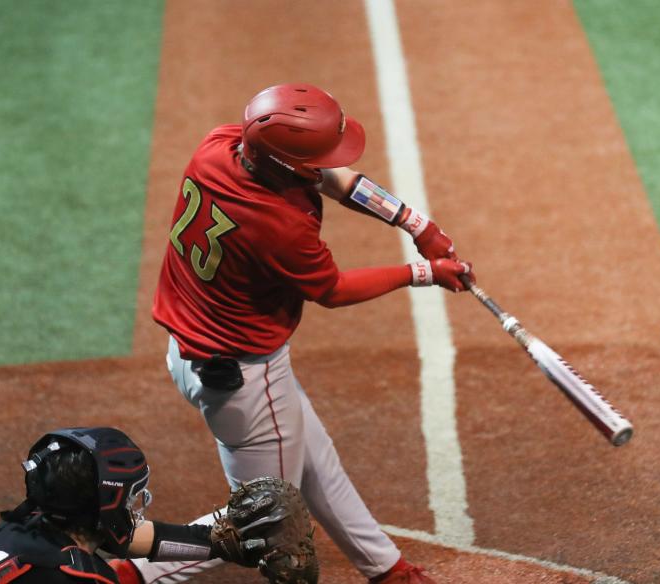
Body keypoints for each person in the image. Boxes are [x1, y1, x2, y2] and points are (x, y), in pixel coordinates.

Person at [139, 83, 473, 584]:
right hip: (245, 380)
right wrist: (423, 273)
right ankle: (134, 572)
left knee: (315, 460)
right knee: (263, 522)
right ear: (285, 165)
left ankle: (387, 570)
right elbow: (333, 289)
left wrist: (413, 222)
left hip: (191, 351)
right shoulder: (278, 226)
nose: (327, 163)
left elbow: (331, 179)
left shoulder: (220, 147)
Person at [0, 426, 315, 584]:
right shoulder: (79, 577)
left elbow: (130, 538)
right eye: (129, 497)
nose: (133, 508)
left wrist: (215, 541)